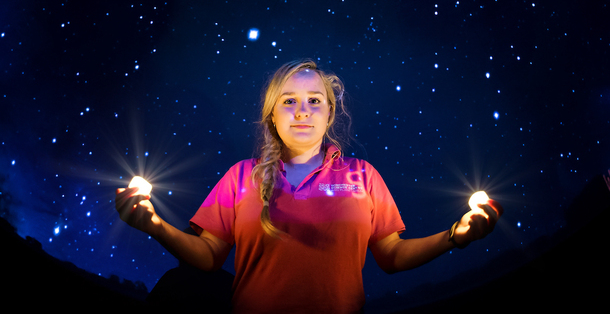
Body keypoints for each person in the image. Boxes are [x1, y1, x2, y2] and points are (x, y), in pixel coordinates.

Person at [116, 59, 502, 313]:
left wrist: (456, 235)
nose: (302, 110)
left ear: (330, 112)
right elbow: (206, 256)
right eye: (289, 101)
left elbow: (392, 257)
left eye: (314, 100)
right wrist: (153, 225)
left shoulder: (363, 176)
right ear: (272, 114)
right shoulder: (241, 176)